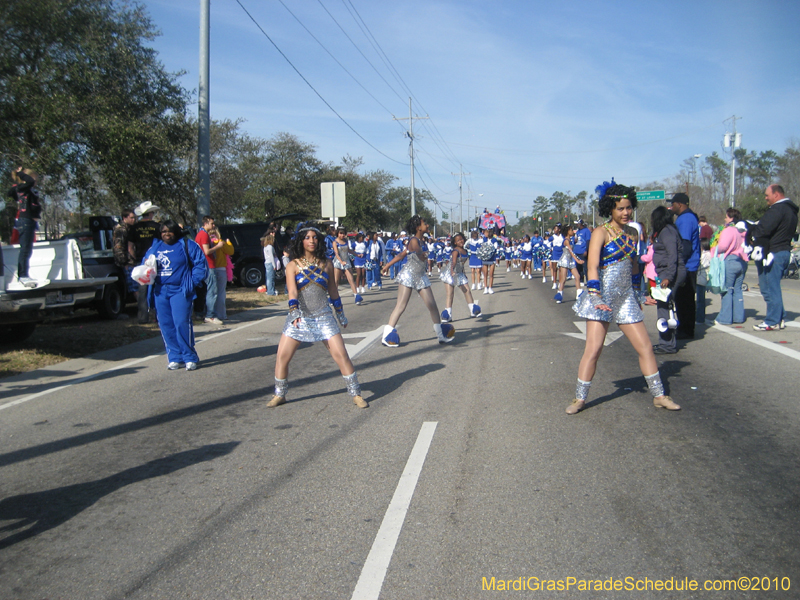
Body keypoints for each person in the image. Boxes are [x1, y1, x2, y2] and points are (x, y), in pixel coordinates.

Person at [567, 179, 680, 415]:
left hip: (626, 298)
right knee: (593, 350)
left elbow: (634, 265)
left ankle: (659, 396)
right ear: (610, 209)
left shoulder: (633, 232)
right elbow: (592, 266)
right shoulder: (600, 232)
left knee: (646, 347)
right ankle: (579, 399)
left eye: (629, 208)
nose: (626, 213)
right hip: (601, 298)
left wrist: (639, 294)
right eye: (620, 208)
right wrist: (595, 297)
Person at [267, 224, 368, 409]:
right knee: (282, 356)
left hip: (324, 317)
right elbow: (292, 292)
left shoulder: (327, 264)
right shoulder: (292, 265)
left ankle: (356, 394)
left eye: (314, 237)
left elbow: (333, 292)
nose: (311, 241)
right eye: (307, 237)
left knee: (342, 355)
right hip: (300, 317)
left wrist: (340, 313)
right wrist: (294, 311)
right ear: (301, 241)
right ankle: (280, 394)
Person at [380, 215, 456, 346]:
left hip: (421, 276)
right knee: (401, 306)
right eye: (424, 223)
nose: (427, 225)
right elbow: (414, 254)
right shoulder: (414, 240)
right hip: (409, 275)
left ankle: (441, 336)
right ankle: (386, 336)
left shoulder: (422, 241)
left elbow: (402, 254)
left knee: (432, 305)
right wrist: (387, 266)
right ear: (418, 228)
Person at [144, 221, 208, 371]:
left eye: (170, 231)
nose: (167, 234)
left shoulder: (187, 245)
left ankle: (189, 357)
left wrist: (192, 282)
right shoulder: (155, 247)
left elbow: (200, 264)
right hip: (160, 291)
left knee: (181, 323)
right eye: (163, 231)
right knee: (166, 324)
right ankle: (175, 357)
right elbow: (145, 265)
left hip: (180, 290)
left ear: (176, 232)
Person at [749, 184, 799, 330]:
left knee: (769, 288)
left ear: (776, 195)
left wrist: (751, 230)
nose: (766, 198)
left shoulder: (777, 209)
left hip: (773, 253)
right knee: (771, 287)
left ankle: (772, 321)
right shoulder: (791, 210)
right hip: (783, 251)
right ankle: (779, 317)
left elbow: (763, 229)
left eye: (767, 195)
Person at [650, 206, 686, 354]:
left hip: (669, 272)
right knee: (665, 306)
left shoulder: (667, 232)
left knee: (664, 308)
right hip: (665, 271)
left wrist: (668, 277)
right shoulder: (665, 232)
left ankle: (667, 344)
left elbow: (672, 256)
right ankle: (666, 342)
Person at [668, 193, 700, 339]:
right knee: (683, 299)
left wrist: (679, 263)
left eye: (673, 204)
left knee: (685, 300)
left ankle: (686, 330)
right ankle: (685, 327)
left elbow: (685, 245)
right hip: (688, 265)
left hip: (687, 266)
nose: (671, 206)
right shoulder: (686, 217)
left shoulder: (686, 219)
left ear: (679, 204)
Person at [9, 167, 42, 288]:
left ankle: (24, 274)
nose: (35, 181)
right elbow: (28, 182)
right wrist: (20, 173)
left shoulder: (27, 189)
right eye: (33, 178)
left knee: (27, 249)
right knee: (25, 249)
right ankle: (23, 275)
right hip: (26, 221)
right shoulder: (23, 187)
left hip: (30, 221)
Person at [440, 232, 481, 321]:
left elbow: (461, 264)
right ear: (455, 243)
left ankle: (473, 310)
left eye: (461, 239)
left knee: (467, 291)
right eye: (458, 240)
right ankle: (448, 315)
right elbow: (454, 262)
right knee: (450, 294)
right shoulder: (455, 251)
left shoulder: (465, 251)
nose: (460, 241)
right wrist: (452, 271)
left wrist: (464, 273)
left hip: (459, 273)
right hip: (450, 273)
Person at [132, 201, 162, 323]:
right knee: (156, 288)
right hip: (155, 260)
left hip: (141, 261)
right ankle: (157, 315)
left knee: (142, 289)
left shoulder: (134, 228)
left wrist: (134, 259)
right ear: (150, 214)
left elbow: (130, 246)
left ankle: (143, 317)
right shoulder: (157, 227)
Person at [195, 216, 224, 325]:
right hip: (208, 265)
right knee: (212, 291)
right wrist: (218, 246)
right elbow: (206, 251)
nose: (213, 225)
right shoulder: (203, 235)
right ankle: (210, 315)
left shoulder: (201, 234)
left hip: (204, 265)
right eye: (212, 223)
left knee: (204, 291)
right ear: (205, 223)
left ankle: (201, 312)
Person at [208, 223, 234, 320]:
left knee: (211, 292)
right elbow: (231, 251)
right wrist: (229, 243)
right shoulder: (220, 242)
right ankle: (221, 314)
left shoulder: (208, 244)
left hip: (210, 269)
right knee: (221, 293)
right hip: (221, 269)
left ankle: (211, 313)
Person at [554, 223, 584, 304]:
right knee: (563, 279)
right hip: (564, 260)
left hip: (570, 260)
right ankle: (559, 295)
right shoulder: (566, 241)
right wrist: (578, 260)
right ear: (567, 231)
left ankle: (578, 293)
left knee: (577, 276)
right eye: (571, 230)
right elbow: (571, 252)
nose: (572, 231)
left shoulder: (571, 240)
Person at [112, 209, 139, 299]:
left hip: (133, 261)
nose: (133, 220)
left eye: (134, 218)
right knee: (135, 287)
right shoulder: (121, 229)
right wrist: (124, 262)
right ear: (124, 218)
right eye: (131, 218)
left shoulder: (131, 228)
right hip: (128, 262)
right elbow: (118, 247)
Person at [332, 227, 361, 304]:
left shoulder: (346, 241)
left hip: (346, 261)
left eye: (343, 233)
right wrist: (341, 262)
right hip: (338, 262)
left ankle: (356, 296)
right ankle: (333, 298)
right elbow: (336, 253)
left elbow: (349, 250)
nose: (342, 235)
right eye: (340, 233)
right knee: (336, 281)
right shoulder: (335, 242)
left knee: (351, 279)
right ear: (337, 233)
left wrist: (357, 254)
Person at [573, 219, 592, 285]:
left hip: (583, 251)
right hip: (577, 251)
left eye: (577, 224)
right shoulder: (577, 231)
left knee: (585, 267)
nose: (576, 225)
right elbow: (575, 240)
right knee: (578, 267)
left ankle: (588, 280)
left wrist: (586, 250)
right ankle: (581, 280)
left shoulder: (586, 231)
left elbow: (588, 241)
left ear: (580, 224)